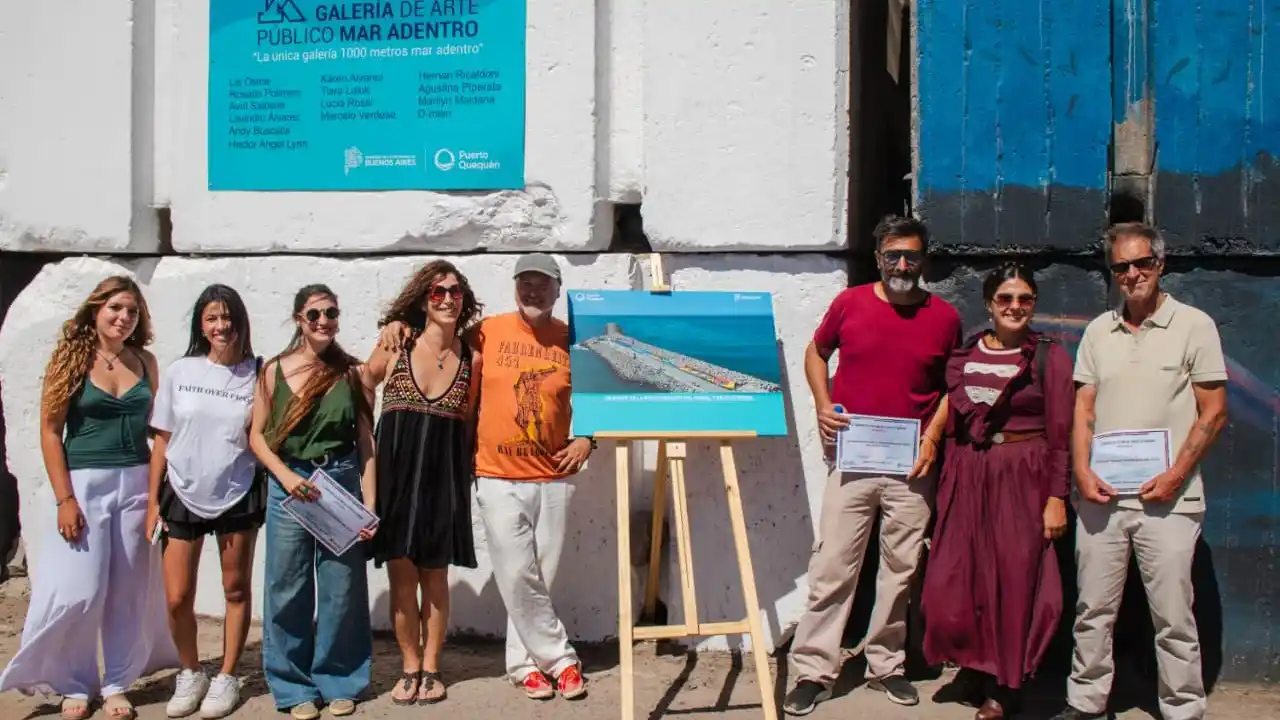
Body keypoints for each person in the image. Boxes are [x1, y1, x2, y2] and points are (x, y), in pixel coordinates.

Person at [379, 253, 594, 701]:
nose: (532, 291)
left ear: (558, 289)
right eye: (524, 283)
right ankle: (562, 660)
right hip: (495, 473)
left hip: (553, 476)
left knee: (540, 578)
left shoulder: (573, 341)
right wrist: (396, 325)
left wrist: (588, 439)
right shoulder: (485, 332)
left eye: (542, 284)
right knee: (517, 574)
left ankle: (524, 666)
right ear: (515, 287)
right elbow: (436, 338)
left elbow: (599, 395)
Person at [783, 215, 963, 716]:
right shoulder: (850, 303)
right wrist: (822, 404)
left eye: (911, 255)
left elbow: (952, 386)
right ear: (879, 257)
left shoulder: (944, 317)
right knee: (834, 567)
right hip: (853, 459)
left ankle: (886, 664)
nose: (902, 264)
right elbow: (816, 352)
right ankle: (813, 670)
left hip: (913, 465)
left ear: (924, 259)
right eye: (893, 255)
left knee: (901, 570)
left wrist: (933, 435)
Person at [1051, 223, 1228, 720]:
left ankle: (1182, 708)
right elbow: (1083, 408)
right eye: (1121, 267)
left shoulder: (1194, 326)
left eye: (1141, 263)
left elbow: (1213, 412)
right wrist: (1082, 474)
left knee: (1173, 616)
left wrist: (1175, 476)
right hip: (1102, 497)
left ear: (1160, 265)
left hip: (1169, 499)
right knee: (1093, 611)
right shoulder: (1098, 333)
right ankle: (1086, 702)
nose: (1132, 274)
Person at [0, 276, 177, 720]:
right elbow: (49, 430)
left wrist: (158, 495)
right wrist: (65, 498)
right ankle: (74, 682)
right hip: (84, 485)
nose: (123, 317)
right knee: (81, 588)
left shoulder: (145, 361)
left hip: (137, 483)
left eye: (132, 311)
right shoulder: (71, 358)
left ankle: (117, 682)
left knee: (128, 590)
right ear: (95, 310)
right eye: (115, 308)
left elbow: (159, 433)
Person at [920, 263, 1074, 719]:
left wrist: (1055, 497)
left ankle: (1006, 684)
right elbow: (954, 403)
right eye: (1006, 299)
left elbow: (1061, 433)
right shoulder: (967, 354)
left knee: (1013, 579)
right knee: (958, 576)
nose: (1015, 307)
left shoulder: (1050, 357)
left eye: (1025, 299)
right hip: (967, 472)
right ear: (989, 304)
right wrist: (932, 437)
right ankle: (972, 663)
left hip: (1023, 476)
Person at [249, 284, 377, 720]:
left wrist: (369, 505)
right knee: (287, 587)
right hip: (292, 482)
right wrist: (284, 477)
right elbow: (257, 437)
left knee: (342, 587)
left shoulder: (351, 372)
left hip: (339, 479)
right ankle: (292, 687)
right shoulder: (272, 371)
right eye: (314, 315)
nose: (324, 322)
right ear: (299, 320)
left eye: (331, 314)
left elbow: (366, 442)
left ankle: (340, 680)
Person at [360, 261, 483, 705]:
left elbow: (467, 423)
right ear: (423, 300)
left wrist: (465, 477)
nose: (448, 299)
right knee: (401, 576)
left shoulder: (473, 357)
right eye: (437, 292)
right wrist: (365, 454)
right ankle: (408, 666)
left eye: (455, 291)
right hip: (396, 473)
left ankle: (431, 668)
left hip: (443, 476)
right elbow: (360, 387)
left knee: (435, 577)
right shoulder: (396, 345)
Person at [146, 284, 263, 719]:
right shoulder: (181, 371)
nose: (221, 326)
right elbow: (162, 439)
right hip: (180, 489)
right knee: (177, 596)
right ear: (201, 323)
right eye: (212, 318)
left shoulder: (257, 373)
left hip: (237, 490)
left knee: (235, 589)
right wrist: (151, 501)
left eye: (228, 317)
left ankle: (228, 675)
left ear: (240, 322)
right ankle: (191, 670)